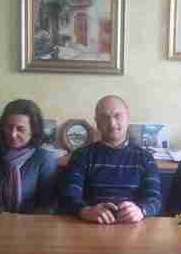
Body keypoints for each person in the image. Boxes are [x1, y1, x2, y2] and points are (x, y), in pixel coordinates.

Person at [63, 95, 161, 223]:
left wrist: (141, 211)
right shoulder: (81, 155)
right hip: (91, 224)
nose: (112, 123)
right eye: (104, 117)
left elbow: (155, 200)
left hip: (132, 226)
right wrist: (85, 211)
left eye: (117, 116)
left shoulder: (146, 158)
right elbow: (69, 197)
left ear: (128, 118)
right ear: (97, 122)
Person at [0, 99, 58, 214]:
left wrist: (22, 222)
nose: (13, 134)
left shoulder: (44, 159)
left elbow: (47, 205)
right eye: (9, 127)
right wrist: (2, 215)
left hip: (29, 222)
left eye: (20, 129)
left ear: (33, 130)